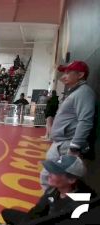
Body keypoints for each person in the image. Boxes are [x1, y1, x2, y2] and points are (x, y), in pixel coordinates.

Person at [40, 61, 95, 190]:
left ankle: (54, 207)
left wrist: (74, 147)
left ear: (80, 74)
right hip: (61, 144)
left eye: (68, 73)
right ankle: (51, 206)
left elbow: (85, 120)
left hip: (67, 145)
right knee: (49, 179)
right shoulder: (75, 92)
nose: (63, 76)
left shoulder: (83, 92)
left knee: (56, 181)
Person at [1, 155, 96, 225]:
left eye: (55, 172)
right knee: (6, 213)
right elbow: (36, 212)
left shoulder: (78, 207)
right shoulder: (57, 190)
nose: (49, 174)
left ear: (71, 179)